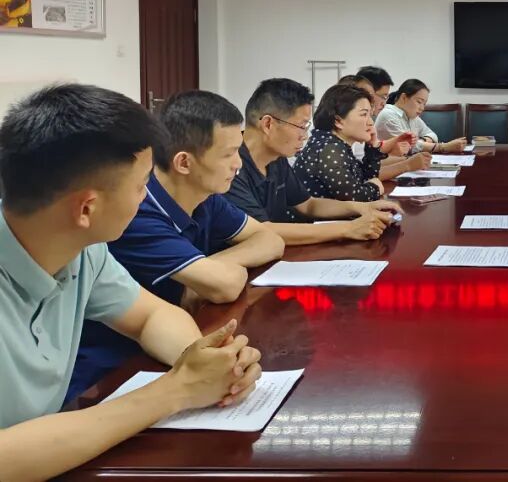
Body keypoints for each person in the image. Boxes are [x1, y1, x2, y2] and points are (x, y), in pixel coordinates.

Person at [0, 84, 262, 480]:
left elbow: (149, 316)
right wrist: (177, 389)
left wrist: (206, 362)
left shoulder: (84, 251)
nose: (146, 197)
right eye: (141, 185)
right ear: (87, 208)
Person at [70, 91, 284, 400]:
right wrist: (184, 387)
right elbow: (224, 285)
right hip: (103, 379)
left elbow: (152, 317)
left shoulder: (205, 198)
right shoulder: (131, 217)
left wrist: (212, 364)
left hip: (148, 361)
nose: (238, 164)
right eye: (141, 184)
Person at [225, 78, 400, 246]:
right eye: (301, 126)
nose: (305, 136)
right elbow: (260, 231)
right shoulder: (229, 165)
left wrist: (363, 208)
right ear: (268, 124)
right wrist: (349, 228)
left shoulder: (276, 157)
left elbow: (308, 204)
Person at [295, 84, 387, 202]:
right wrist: (376, 188)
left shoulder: (336, 143)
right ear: (338, 121)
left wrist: (372, 147)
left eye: (370, 115)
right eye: (364, 114)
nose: (370, 122)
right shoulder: (328, 148)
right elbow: (354, 197)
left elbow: (365, 178)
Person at [338, 73, 432, 181]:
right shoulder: (335, 146)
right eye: (382, 96)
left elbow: (368, 166)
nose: (384, 102)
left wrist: (401, 155)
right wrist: (407, 164)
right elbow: (362, 177)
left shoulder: (358, 129)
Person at [374, 78, 467, 153]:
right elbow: (408, 147)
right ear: (404, 98)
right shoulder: (388, 115)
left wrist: (422, 141)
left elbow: (432, 135)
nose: (422, 108)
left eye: (424, 104)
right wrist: (443, 147)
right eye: (419, 102)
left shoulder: (412, 116)